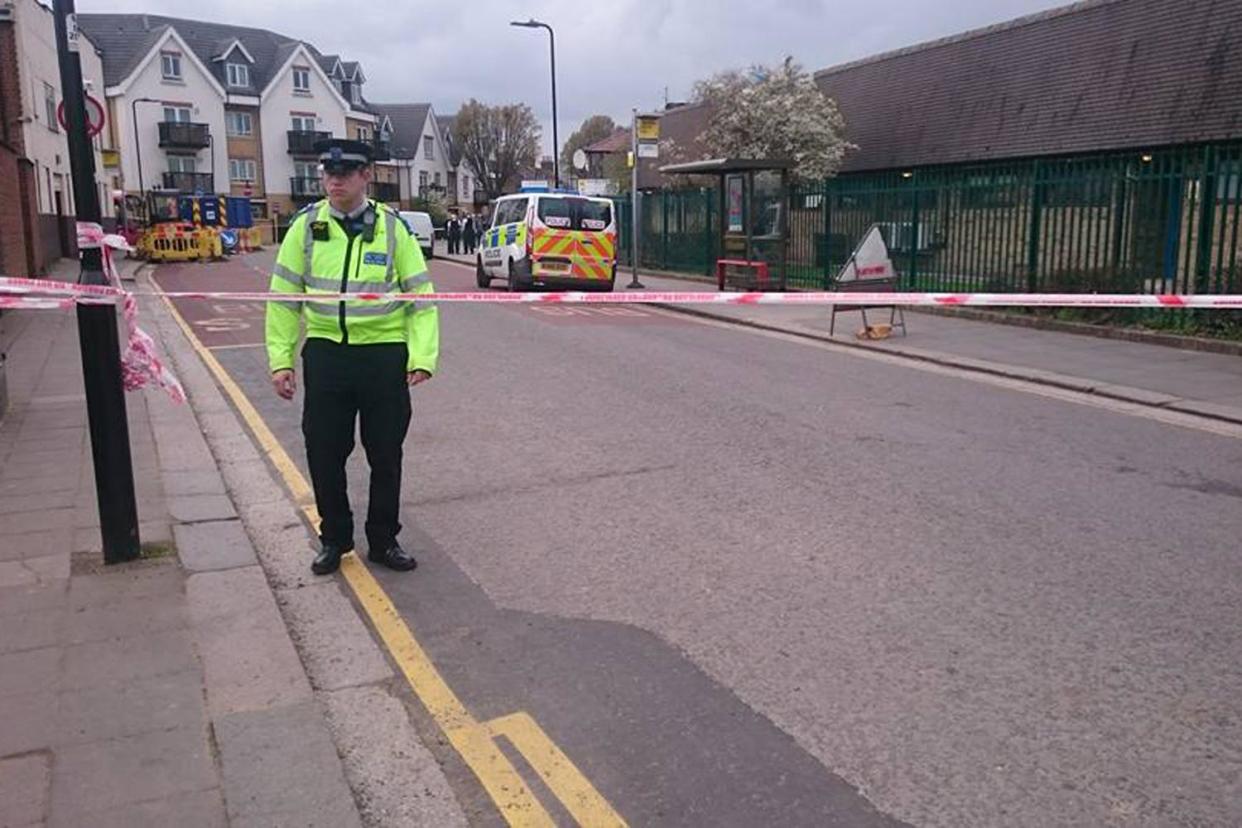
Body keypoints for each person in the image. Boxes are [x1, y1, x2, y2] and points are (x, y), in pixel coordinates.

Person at [265, 138, 439, 575]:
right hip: (326, 354)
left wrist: (422, 356)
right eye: (328, 173)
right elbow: (283, 299)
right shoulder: (305, 228)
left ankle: (383, 540)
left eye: (344, 174)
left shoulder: (394, 229)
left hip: (383, 356)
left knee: (385, 453)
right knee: (324, 451)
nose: (334, 180)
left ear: (366, 176)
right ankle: (334, 539)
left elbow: (421, 297)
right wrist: (281, 360)